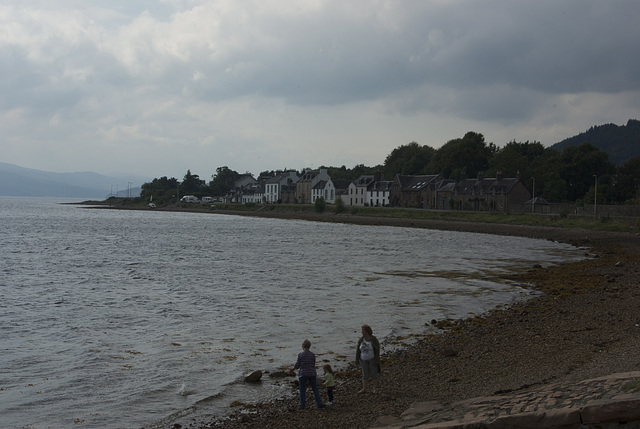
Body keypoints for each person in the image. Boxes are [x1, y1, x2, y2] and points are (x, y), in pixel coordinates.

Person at [290, 339, 325, 409]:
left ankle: (302, 405)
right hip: (312, 373)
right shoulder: (312, 355)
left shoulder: (300, 355)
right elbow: (313, 364)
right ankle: (319, 403)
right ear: (309, 346)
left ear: (303, 346)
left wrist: (292, 369)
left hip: (303, 373)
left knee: (302, 390)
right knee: (315, 389)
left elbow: (297, 365)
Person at [355, 324, 380, 394]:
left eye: (363, 330)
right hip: (363, 359)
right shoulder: (361, 340)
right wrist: (356, 360)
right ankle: (364, 388)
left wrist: (376, 360)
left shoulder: (373, 339)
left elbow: (377, 350)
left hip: (372, 359)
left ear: (367, 332)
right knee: (365, 374)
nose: (361, 332)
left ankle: (375, 388)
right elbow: (358, 350)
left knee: (374, 374)